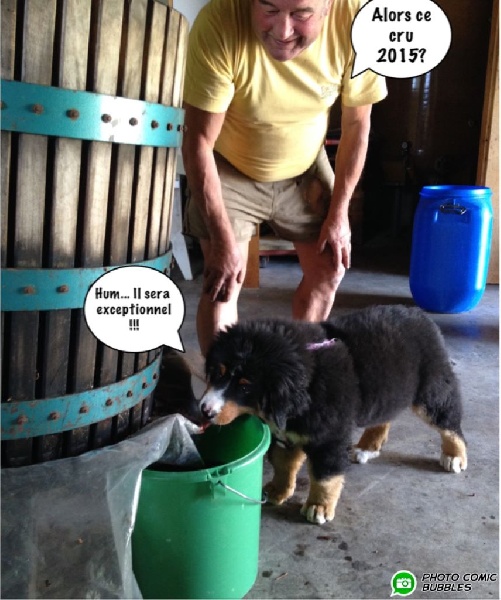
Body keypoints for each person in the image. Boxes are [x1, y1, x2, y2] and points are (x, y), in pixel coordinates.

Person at [182, 0, 387, 356]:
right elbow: (199, 140)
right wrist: (222, 240)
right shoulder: (219, 22)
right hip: (229, 164)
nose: (282, 31)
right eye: (269, 10)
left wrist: (339, 215)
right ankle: (223, 388)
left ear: (328, 6)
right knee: (222, 284)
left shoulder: (359, 22)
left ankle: (298, 371)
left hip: (305, 164)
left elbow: (357, 125)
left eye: (301, 15)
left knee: (329, 270)